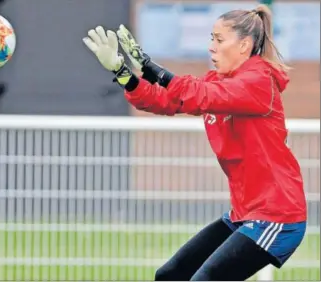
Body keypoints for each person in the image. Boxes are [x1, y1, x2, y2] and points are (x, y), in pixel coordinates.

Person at [83, 4, 307, 281]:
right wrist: (122, 71)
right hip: (244, 215)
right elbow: (168, 99)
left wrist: (148, 64)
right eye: (211, 38)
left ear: (244, 45)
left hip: (277, 218)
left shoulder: (257, 81)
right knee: (171, 274)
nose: (211, 47)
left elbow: (197, 94)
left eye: (219, 39)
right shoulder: (220, 82)